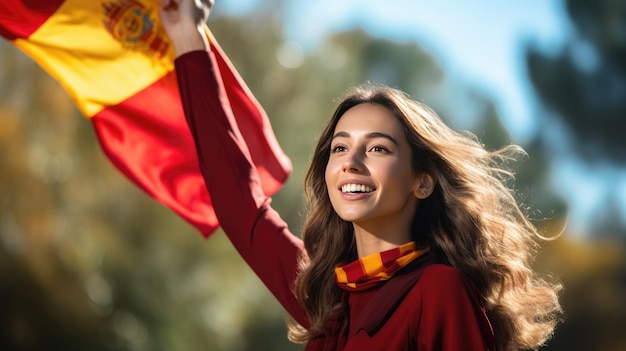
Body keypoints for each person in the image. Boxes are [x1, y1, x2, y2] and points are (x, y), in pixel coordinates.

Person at [159, 1, 563, 350]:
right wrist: (186, 35)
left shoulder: (440, 291)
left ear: (422, 180)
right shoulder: (325, 295)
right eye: (340, 147)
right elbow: (237, 201)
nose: (351, 161)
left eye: (377, 148)